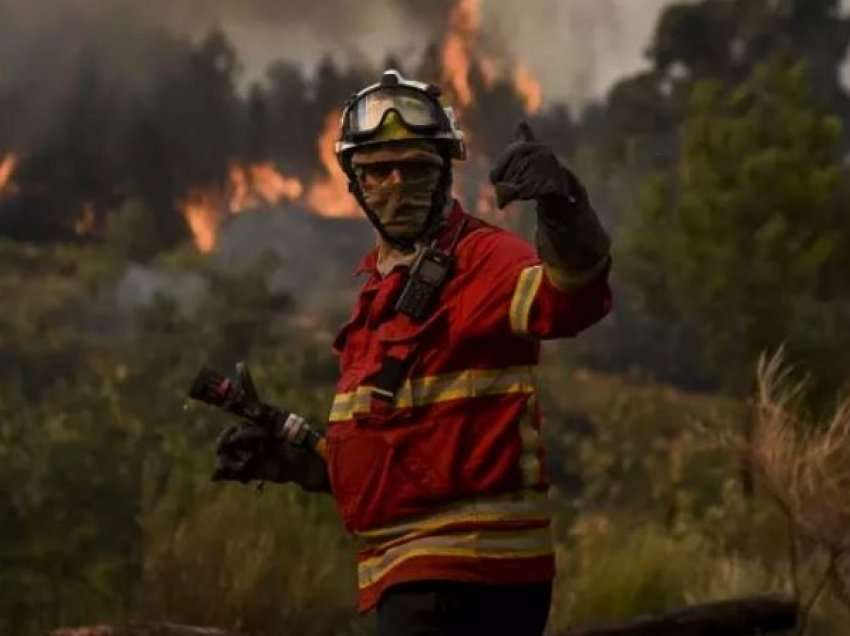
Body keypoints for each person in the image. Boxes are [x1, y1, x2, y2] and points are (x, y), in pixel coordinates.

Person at [213, 69, 612, 636]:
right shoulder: (377, 295)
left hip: (467, 575)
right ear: (354, 183)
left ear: (444, 172)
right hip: (415, 572)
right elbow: (404, 454)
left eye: (416, 168)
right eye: (377, 170)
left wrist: (564, 207)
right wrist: (298, 462)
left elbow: (574, 299)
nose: (396, 183)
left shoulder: (485, 259)